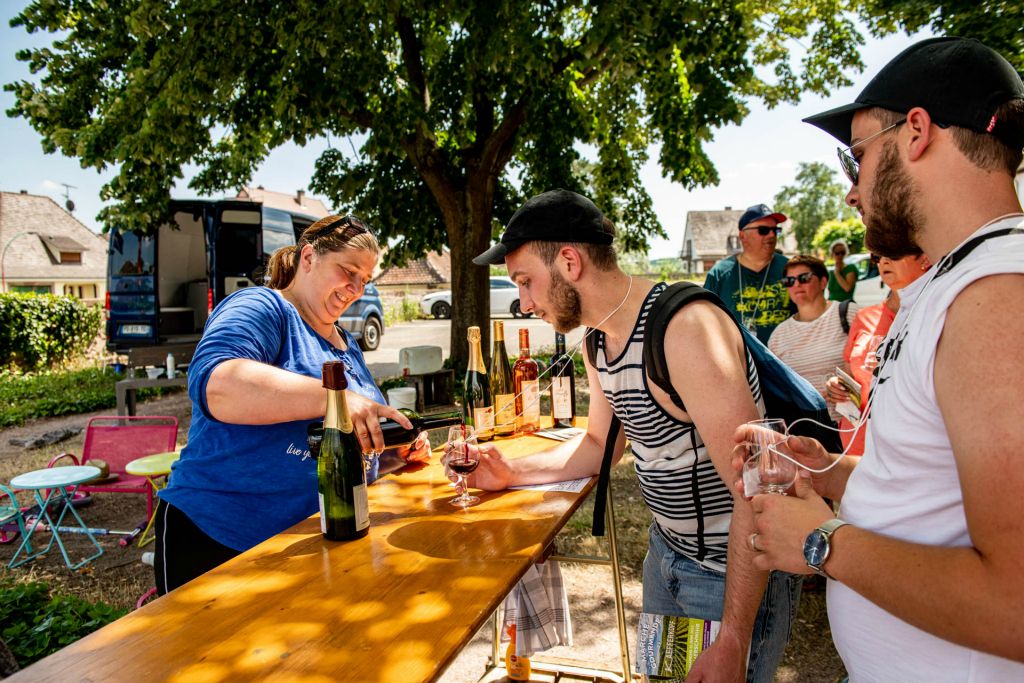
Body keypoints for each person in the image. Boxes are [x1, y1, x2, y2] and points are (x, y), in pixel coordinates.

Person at [739, 37, 1024, 680]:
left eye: (857, 157)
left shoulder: (996, 297)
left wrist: (820, 542)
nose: (852, 190)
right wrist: (831, 471)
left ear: (916, 131)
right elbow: (930, 483)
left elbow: (1016, 604)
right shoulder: (954, 283)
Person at [472, 189, 801, 683]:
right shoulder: (598, 341)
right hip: (666, 557)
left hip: (727, 575)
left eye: (525, 281)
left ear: (569, 262)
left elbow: (755, 489)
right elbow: (599, 446)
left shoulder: (684, 330)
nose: (524, 302)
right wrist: (508, 473)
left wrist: (733, 637)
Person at [155, 214, 426, 594]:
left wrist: (391, 453)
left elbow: (339, 442)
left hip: (308, 544)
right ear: (309, 257)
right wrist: (336, 399)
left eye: (364, 279)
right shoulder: (263, 307)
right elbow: (219, 386)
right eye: (348, 271)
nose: (356, 289)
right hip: (219, 539)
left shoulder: (347, 345)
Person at [824, 250, 930, 454]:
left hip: (910, 447)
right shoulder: (864, 316)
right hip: (857, 441)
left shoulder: (936, 314)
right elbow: (851, 373)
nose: (883, 261)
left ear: (924, 258)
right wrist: (837, 386)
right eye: (877, 257)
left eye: (892, 252)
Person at [767, 255, 860, 424]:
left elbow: (871, 369)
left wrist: (844, 383)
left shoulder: (849, 313)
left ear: (823, 282)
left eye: (804, 278)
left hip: (849, 426)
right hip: (803, 429)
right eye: (789, 281)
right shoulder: (778, 335)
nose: (796, 284)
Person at [703, 204, 792, 344]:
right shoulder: (719, 274)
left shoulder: (791, 269)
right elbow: (706, 321)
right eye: (763, 230)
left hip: (785, 355)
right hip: (737, 355)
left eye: (776, 230)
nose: (772, 235)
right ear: (743, 235)